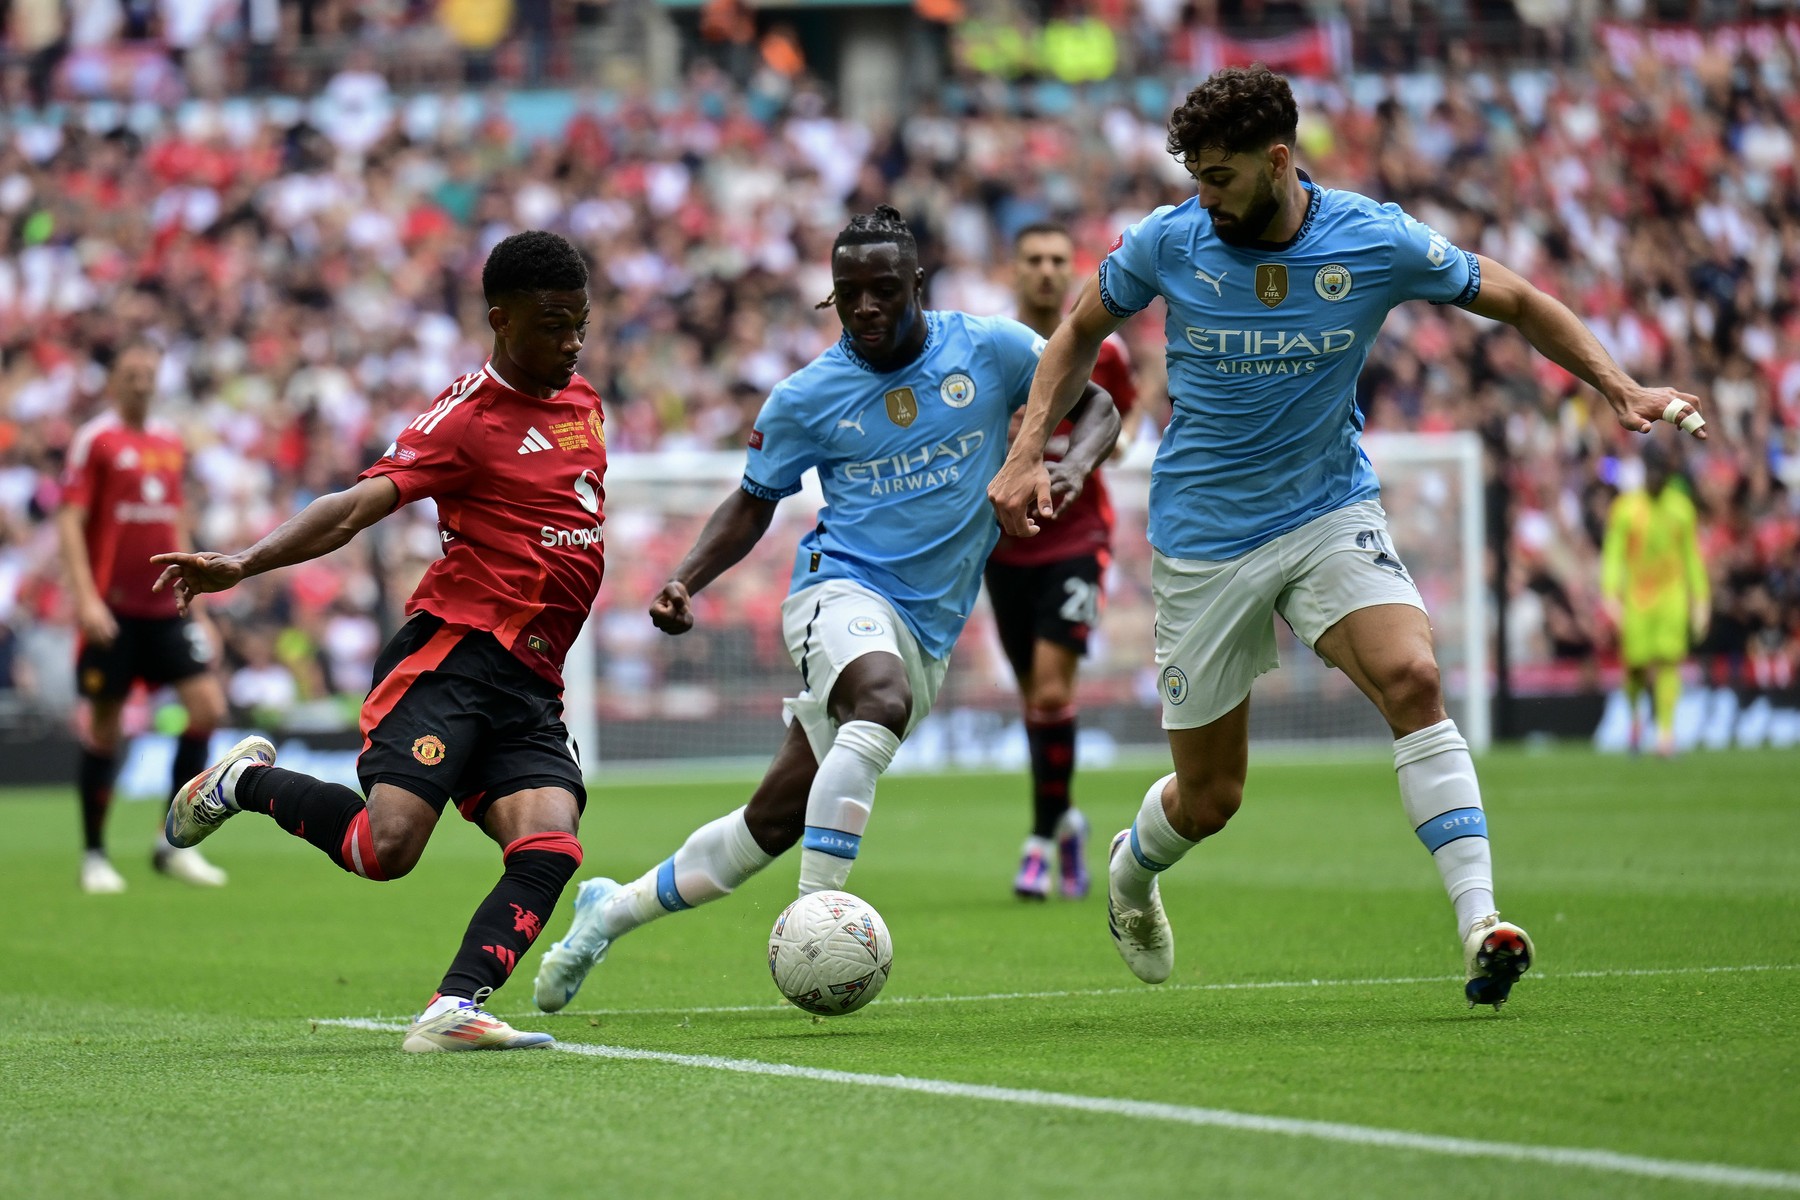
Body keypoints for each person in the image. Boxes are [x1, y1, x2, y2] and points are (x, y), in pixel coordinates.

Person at [987, 66, 1709, 1009]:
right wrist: (1027, 451)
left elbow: (1519, 298)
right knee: (1210, 800)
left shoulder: (1373, 237)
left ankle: (1481, 922)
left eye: (1219, 176)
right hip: (1204, 536)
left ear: (1277, 161)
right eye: (1195, 176)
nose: (1202, 195)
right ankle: (1131, 870)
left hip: (1328, 509)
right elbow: (1080, 328)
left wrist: (1619, 386)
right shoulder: (1171, 240)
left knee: (1412, 676)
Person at [532, 206, 1119, 1012]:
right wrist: (686, 580)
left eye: (884, 291)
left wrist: (1070, 470)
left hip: (930, 627)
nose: (867, 309)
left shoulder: (989, 349)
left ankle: (607, 913)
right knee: (879, 697)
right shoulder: (808, 397)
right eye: (849, 296)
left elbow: (1097, 408)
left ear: (917, 284)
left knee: (768, 824)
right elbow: (751, 503)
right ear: (831, 299)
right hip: (836, 591)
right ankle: (819, 919)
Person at [152, 231, 606, 1052]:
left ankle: (453, 1007)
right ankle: (244, 782)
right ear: (501, 321)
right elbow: (357, 504)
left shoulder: (583, 405)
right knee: (384, 849)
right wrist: (246, 562)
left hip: (532, 682)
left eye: (580, 321)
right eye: (552, 324)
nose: (571, 341)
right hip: (456, 658)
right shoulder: (465, 418)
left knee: (551, 842)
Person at [987, 222, 1138, 901]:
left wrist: (1094, 456)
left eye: (1057, 260)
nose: (1047, 272)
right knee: (1033, 699)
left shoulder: (1102, 352)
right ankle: (1067, 820)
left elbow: (1120, 420)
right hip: (1006, 545)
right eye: (1033, 260)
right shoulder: (991, 351)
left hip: (1077, 538)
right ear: (1014, 271)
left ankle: (1038, 842)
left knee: (1052, 689)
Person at [56, 341, 230, 894]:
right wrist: (84, 599)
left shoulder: (170, 440)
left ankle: (168, 842)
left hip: (164, 606)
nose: (140, 383)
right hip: (113, 608)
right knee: (106, 724)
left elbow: (174, 520)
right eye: (131, 374)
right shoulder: (95, 441)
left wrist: (195, 602)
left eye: (149, 374)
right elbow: (69, 521)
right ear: (113, 382)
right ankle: (94, 854)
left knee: (207, 706)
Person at [1601, 443, 1709, 756]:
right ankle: (1636, 719)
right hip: (1637, 597)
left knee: (1668, 662)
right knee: (1635, 666)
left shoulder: (1681, 508)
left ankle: (1665, 733)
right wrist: (1610, 594)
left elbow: (1693, 559)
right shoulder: (1626, 509)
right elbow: (1613, 555)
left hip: (1671, 597)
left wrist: (1700, 599)